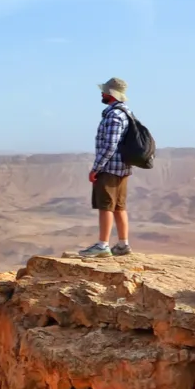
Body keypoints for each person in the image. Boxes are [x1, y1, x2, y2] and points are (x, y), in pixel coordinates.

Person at [79, 77, 131, 257]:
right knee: (119, 206)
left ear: (111, 94)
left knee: (106, 206)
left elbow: (110, 145)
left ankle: (103, 245)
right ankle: (123, 244)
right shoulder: (126, 113)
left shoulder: (114, 115)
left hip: (109, 168)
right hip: (123, 168)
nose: (102, 93)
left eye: (104, 91)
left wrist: (97, 168)